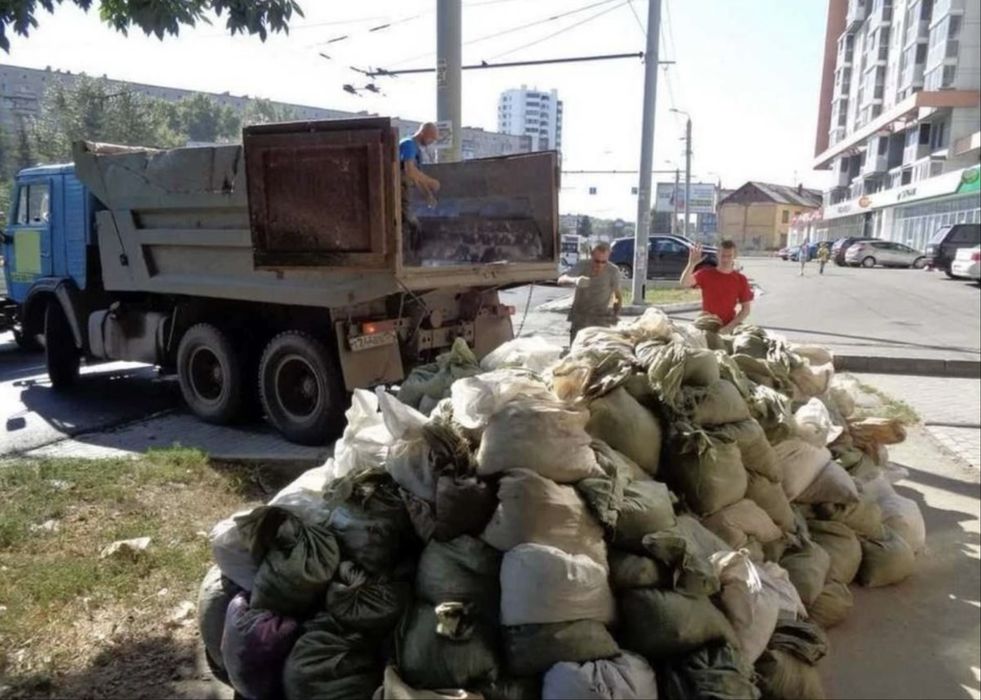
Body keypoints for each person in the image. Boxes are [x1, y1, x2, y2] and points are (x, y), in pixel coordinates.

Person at [680, 240, 753, 334]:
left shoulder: (741, 279)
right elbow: (684, 283)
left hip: (728, 326)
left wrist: (729, 328)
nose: (725, 259)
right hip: (706, 326)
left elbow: (746, 309)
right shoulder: (705, 274)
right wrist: (691, 264)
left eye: (729, 256)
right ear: (717, 255)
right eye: (723, 256)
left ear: (734, 256)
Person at [558, 242, 623, 344]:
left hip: (600, 318)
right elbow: (561, 279)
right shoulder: (582, 265)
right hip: (580, 317)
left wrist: (616, 313)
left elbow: (617, 295)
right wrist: (575, 280)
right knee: (576, 351)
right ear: (591, 255)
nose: (599, 265)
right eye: (596, 261)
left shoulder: (613, 271)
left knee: (598, 352)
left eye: (603, 262)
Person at [399, 123, 441, 263]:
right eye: (431, 138)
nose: (431, 142)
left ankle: (413, 260)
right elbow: (409, 170)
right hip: (398, 193)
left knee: (414, 226)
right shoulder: (409, 144)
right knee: (409, 226)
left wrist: (427, 195)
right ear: (423, 133)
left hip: (404, 193)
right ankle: (407, 261)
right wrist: (431, 182)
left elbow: (416, 177)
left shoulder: (416, 150)